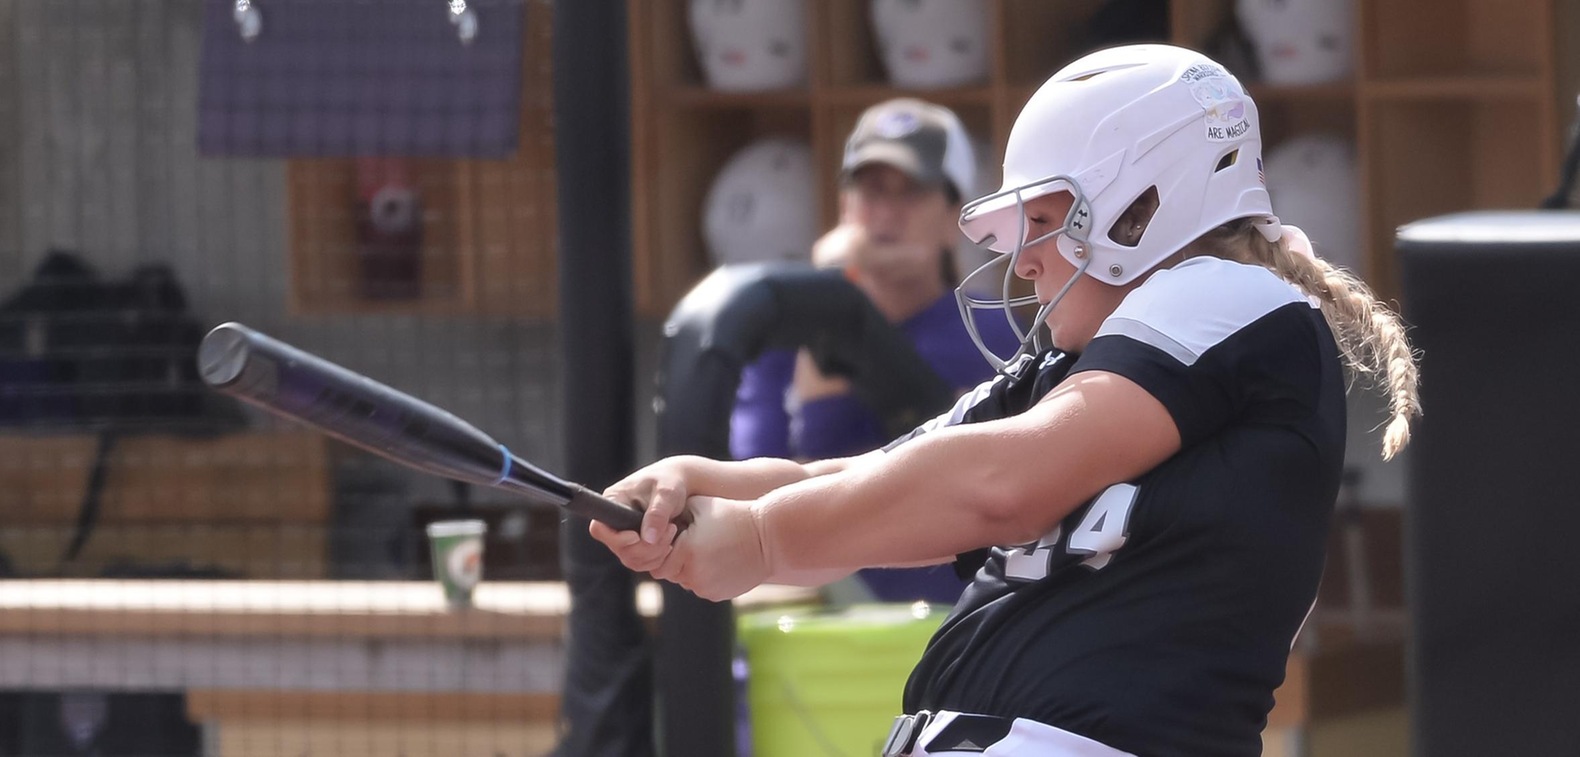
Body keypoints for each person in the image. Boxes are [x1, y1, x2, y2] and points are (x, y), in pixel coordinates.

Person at [591, 43, 1420, 757]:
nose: (1024, 261)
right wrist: (702, 483)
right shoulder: (1080, 362)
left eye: (1046, 220)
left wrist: (765, 536)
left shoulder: (1236, 298)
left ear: (1144, 206)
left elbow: (1000, 484)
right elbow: (871, 475)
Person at [729, 97, 1019, 603]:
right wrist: (832, 294)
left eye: (912, 192)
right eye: (870, 190)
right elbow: (760, 498)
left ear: (954, 213)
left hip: (957, 615)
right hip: (814, 620)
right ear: (844, 206)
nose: (885, 214)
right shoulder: (777, 342)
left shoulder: (996, 334)